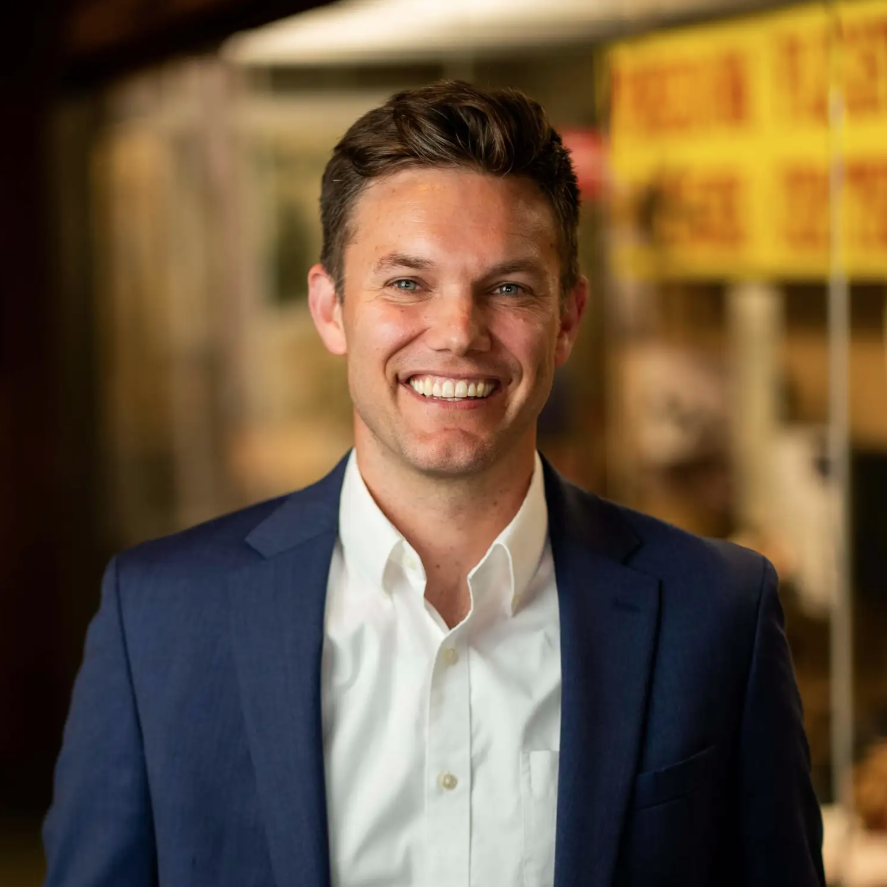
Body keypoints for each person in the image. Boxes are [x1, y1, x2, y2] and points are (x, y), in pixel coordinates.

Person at [43, 81, 825, 887]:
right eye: (407, 282)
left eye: (510, 287)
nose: (457, 333)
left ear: (566, 319)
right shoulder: (162, 618)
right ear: (330, 308)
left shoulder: (716, 612)